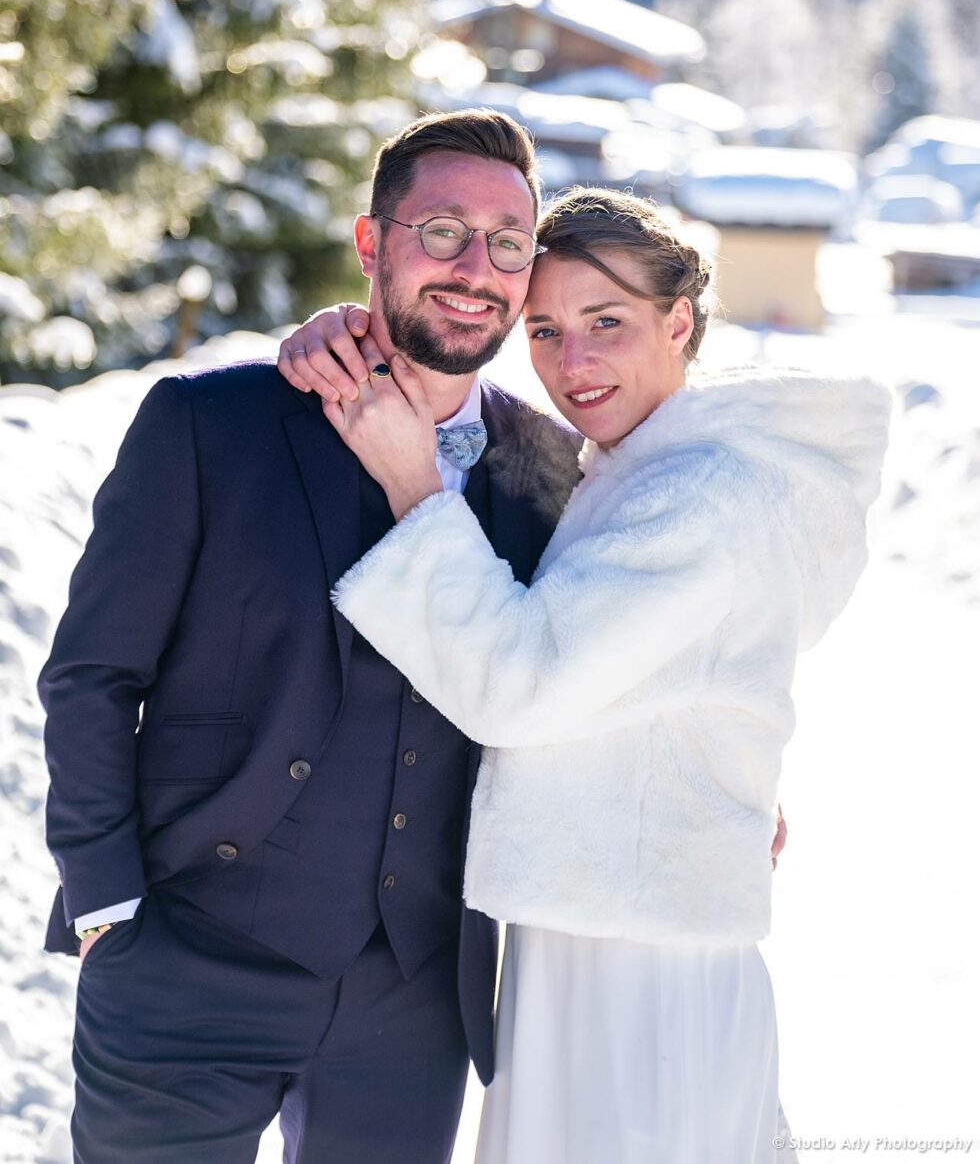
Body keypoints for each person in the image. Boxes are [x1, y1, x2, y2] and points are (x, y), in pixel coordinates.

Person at [277, 186, 891, 1164]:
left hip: (638, 959)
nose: (573, 363)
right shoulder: (638, 466)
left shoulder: (700, 494)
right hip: (597, 922)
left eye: (606, 322)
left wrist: (412, 485)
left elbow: (521, 684)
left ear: (677, 323)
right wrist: (349, 335)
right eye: (545, 331)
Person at [37, 109, 588, 1164]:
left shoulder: (551, 475)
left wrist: (717, 779)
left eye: (508, 243)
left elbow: (589, 673)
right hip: (185, 970)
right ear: (372, 243)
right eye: (442, 232)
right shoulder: (211, 425)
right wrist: (107, 905)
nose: (476, 269)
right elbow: (92, 676)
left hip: (415, 1002)